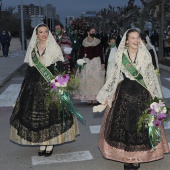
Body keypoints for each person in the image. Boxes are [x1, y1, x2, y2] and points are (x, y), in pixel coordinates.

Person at [93, 29, 169, 170]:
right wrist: (106, 95)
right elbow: (114, 76)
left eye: (137, 38)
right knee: (124, 125)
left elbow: (151, 78)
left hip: (142, 93)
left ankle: (136, 158)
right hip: (124, 92)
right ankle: (126, 157)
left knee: (139, 125)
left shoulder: (145, 54)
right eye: (132, 38)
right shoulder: (120, 55)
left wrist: (156, 98)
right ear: (126, 41)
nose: (136, 40)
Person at [10, 24, 79, 157]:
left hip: (50, 84)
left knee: (50, 113)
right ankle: (42, 141)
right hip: (34, 85)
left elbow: (60, 66)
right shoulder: (32, 48)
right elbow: (30, 68)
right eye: (40, 32)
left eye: (46, 31)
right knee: (38, 114)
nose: (43, 34)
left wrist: (60, 84)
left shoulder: (54, 47)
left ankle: (49, 143)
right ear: (36, 34)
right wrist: (25, 86)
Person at [74, 27, 105, 105]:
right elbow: (80, 53)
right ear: (88, 32)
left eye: (94, 31)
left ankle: (95, 98)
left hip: (96, 62)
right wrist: (79, 63)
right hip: (86, 62)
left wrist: (102, 63)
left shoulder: (98, 41)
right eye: (92, 31)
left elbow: (101, 53)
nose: (94, 32)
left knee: (96, 79)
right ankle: (88, 98)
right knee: (87, 80)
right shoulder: (84, 42)